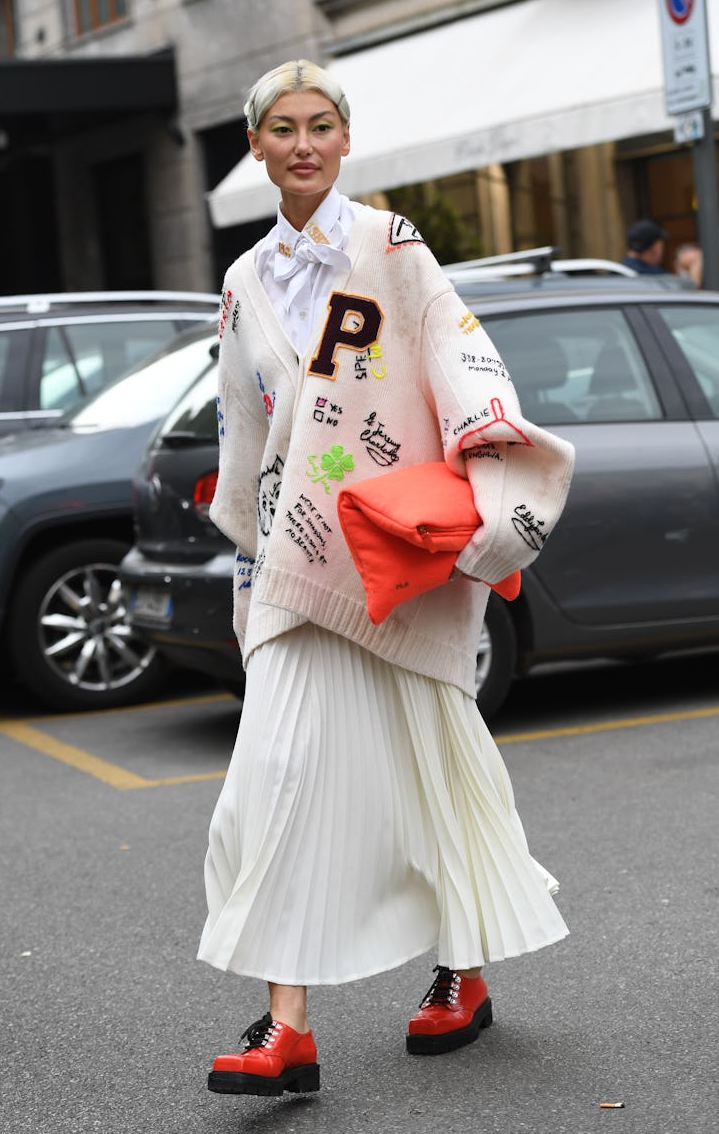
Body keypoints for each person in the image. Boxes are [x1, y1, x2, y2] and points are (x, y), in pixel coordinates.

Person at [198, 59, 576, 1097]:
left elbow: (460, 355)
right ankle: (288, 1028)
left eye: (322, 124)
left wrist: (488, 436)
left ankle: (464, 971)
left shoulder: (391, 246)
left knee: (432, 767)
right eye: (284, 127)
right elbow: (243, 430)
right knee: (268, 784)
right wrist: (244, 551)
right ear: (259, 146)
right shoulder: (240, 287)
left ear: (346, 138)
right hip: (292, 565)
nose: (305, 142)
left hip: (395, 561)